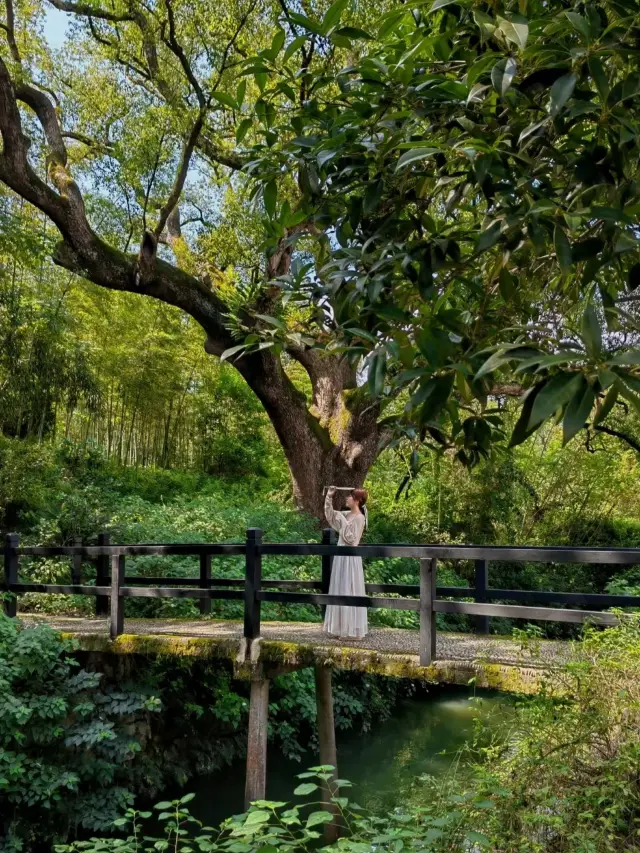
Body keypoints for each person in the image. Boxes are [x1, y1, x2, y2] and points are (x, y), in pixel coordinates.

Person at [323, 486, 368, 639]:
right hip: (340, 556)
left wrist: (342, 520)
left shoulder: (360, 518)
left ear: (357, 500)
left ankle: (352, 630)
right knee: (340, 588)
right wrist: (329, 497)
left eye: (350, 497)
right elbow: (330, 516)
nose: (346, 499)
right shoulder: (346, 514)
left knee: (350, 588)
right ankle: (341, 628)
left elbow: (351, 539)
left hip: (350, 557)